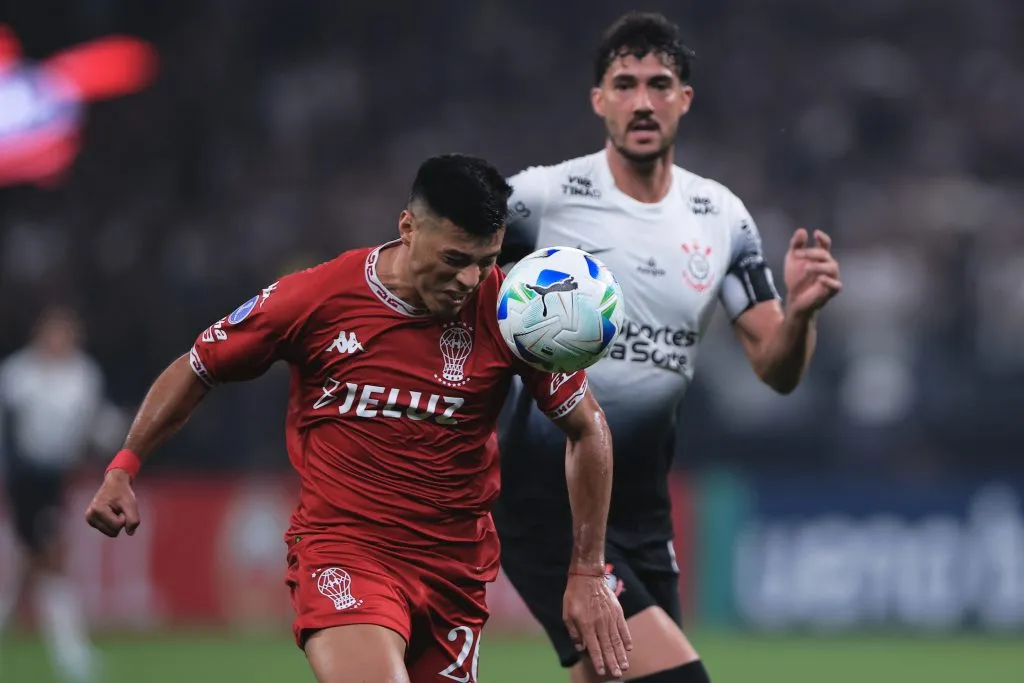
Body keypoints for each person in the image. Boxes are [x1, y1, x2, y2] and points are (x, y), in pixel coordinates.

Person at [84, 153, 632, 683]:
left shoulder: (512, 311)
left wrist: (586, 568)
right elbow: (199, 365)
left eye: (485, 262)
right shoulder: (317, 298)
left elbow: (588, 429)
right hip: (345, 551)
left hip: (454, 573)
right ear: (408, 228)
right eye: (454, 260)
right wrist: (124, 466)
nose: (470, 281)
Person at [494, 12, 842, 683]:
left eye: (660, 83)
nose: (643, 101)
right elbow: (439, 263)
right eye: (625, 84)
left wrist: (798, 313)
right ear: (598, 99)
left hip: (642, 509)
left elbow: (777, 368)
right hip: (546, 494)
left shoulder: (722, 217)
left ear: (685, 98)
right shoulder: (541, 198)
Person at [0, 306, 105, 683]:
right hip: (26, 477)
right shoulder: (17, 375)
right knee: (52, 557)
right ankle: (71, 653)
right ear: (40, 335)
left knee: (33, 560)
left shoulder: (84, 375)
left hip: (57, 477)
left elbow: (86, 428)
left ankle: (9, 622)